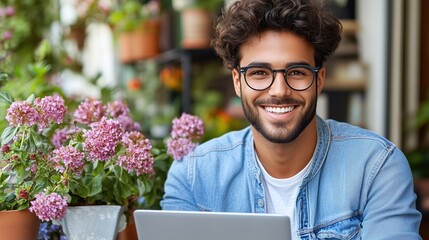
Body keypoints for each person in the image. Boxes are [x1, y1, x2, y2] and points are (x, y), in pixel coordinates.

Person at [160, 0, 422, 239]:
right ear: (237, 82)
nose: (279, 90)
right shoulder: (194, 177)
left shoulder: (376, 167)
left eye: (296, 72)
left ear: (319, 80)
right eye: (259, 72)